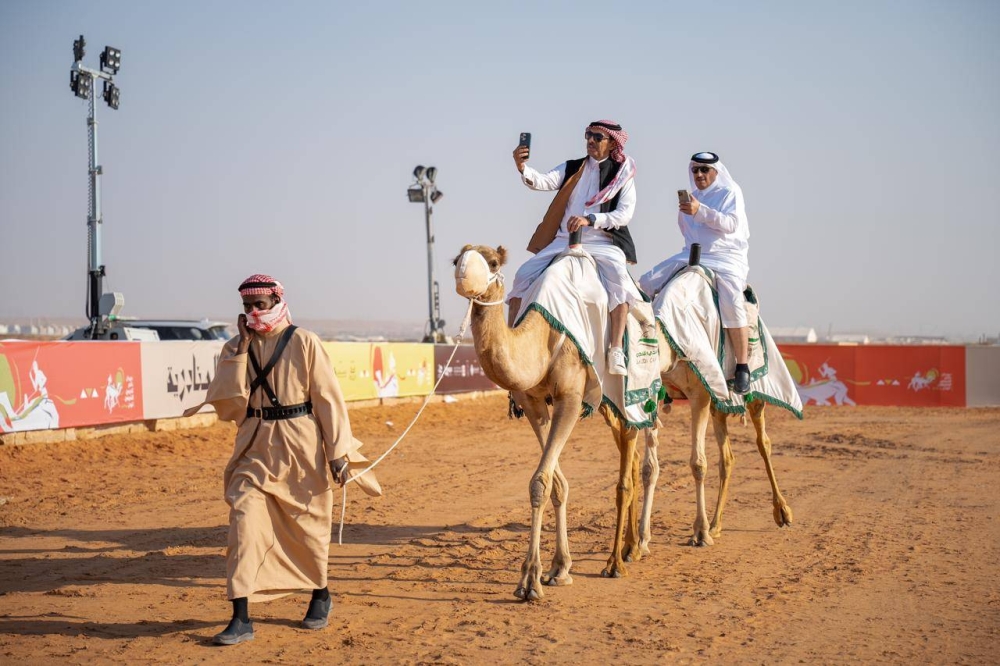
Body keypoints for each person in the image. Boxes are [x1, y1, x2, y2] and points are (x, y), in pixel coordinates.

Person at [184, 274, 380, 645]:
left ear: (276, 301)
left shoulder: (305, 341)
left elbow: (328, 399)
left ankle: (320, 594)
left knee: (307, 528)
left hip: (301, 447)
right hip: (254, 448)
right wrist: (242, 351)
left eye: (260, 305)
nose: (254, 313)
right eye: (247, 307)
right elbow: (229, 406)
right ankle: (241, 617)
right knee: (244, 523)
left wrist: (338, 453)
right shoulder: (234, 347)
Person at [509, 120, 641, 375]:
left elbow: (624, 215)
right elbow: (543, 181)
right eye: (588, 135)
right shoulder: (573, 167)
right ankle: (513, 340)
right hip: (564, 240)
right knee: (522, 277)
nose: (591, 140)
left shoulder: (622, 173)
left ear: (612, 143)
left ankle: (616, 348)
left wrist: (591, 219)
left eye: (598, 137)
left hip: (602, 241)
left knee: (620, 280)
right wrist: (521, 167)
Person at [638, 152, 753, 394]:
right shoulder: (693, 198)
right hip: (692, 253)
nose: (699, 174)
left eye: (704, 170)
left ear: (715, 172)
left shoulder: (730, 191)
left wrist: (701, 211)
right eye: (695, 170)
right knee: (646, 283)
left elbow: (731, 224)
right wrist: (694, 209)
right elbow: (686, 231)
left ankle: (742, 367)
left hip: (726, 257)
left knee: (732, 301)